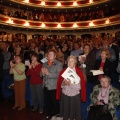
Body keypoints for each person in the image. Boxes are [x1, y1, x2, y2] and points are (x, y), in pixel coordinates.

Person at [56, 56, 86, 120]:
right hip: (65, 94)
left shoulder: (79, 72)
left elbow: (79, 87)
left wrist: (70, 84)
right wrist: (64, 83)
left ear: (75, 63)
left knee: (74, 114)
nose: (70, 62)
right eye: (69, 61)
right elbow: (60, 85)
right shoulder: (63, 71)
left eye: (72, 61)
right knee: (66, 113)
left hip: (74, 95)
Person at [40, 49, 63, 119]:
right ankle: (48, 114)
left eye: (51, 54)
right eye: (48, 54)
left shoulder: (59, 63)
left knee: (54, 102)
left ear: (55, 56)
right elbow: (40, 74)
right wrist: (43, 73)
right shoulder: (45, 63)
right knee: (47, 102)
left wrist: (48, 73)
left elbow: (59, 75)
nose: (49, 55)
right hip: (45, 85)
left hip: (53, 86)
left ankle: (56, 114)